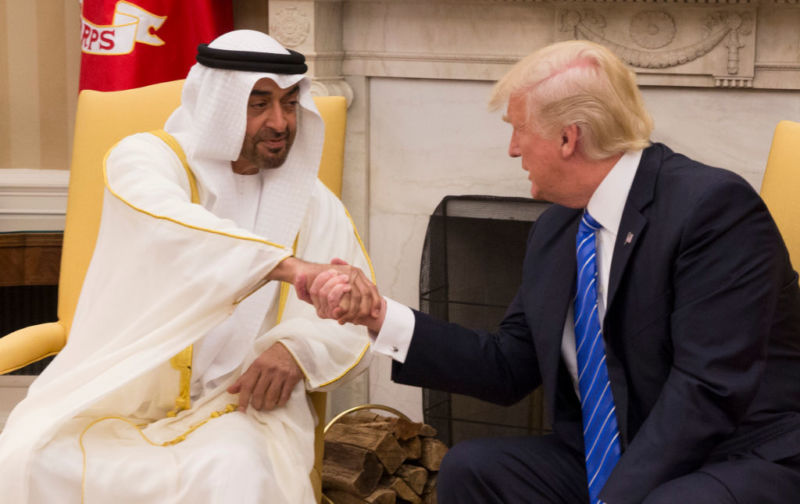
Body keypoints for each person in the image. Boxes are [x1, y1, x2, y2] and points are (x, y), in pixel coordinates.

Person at [306, 40, 800, 503]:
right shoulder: (558, 229)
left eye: (518, 128)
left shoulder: (711, 208)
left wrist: (614, 498)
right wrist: (377, 316)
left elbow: (708, 390)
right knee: (471, 469)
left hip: (733, 452)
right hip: (615, 452)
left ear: (568, 138)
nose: (513, 148)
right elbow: (507, 365)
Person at [0, 30, 380, 504]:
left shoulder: (312, 203)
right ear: (219, 104)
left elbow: (353, 325)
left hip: (238, 406)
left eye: (288, 103)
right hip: (120, 389)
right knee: (30, 460)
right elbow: (181, 232)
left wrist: (296, 349)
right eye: (257, 104)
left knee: (233, 474)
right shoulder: (144, 160)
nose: (280, 122)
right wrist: (291, 268)